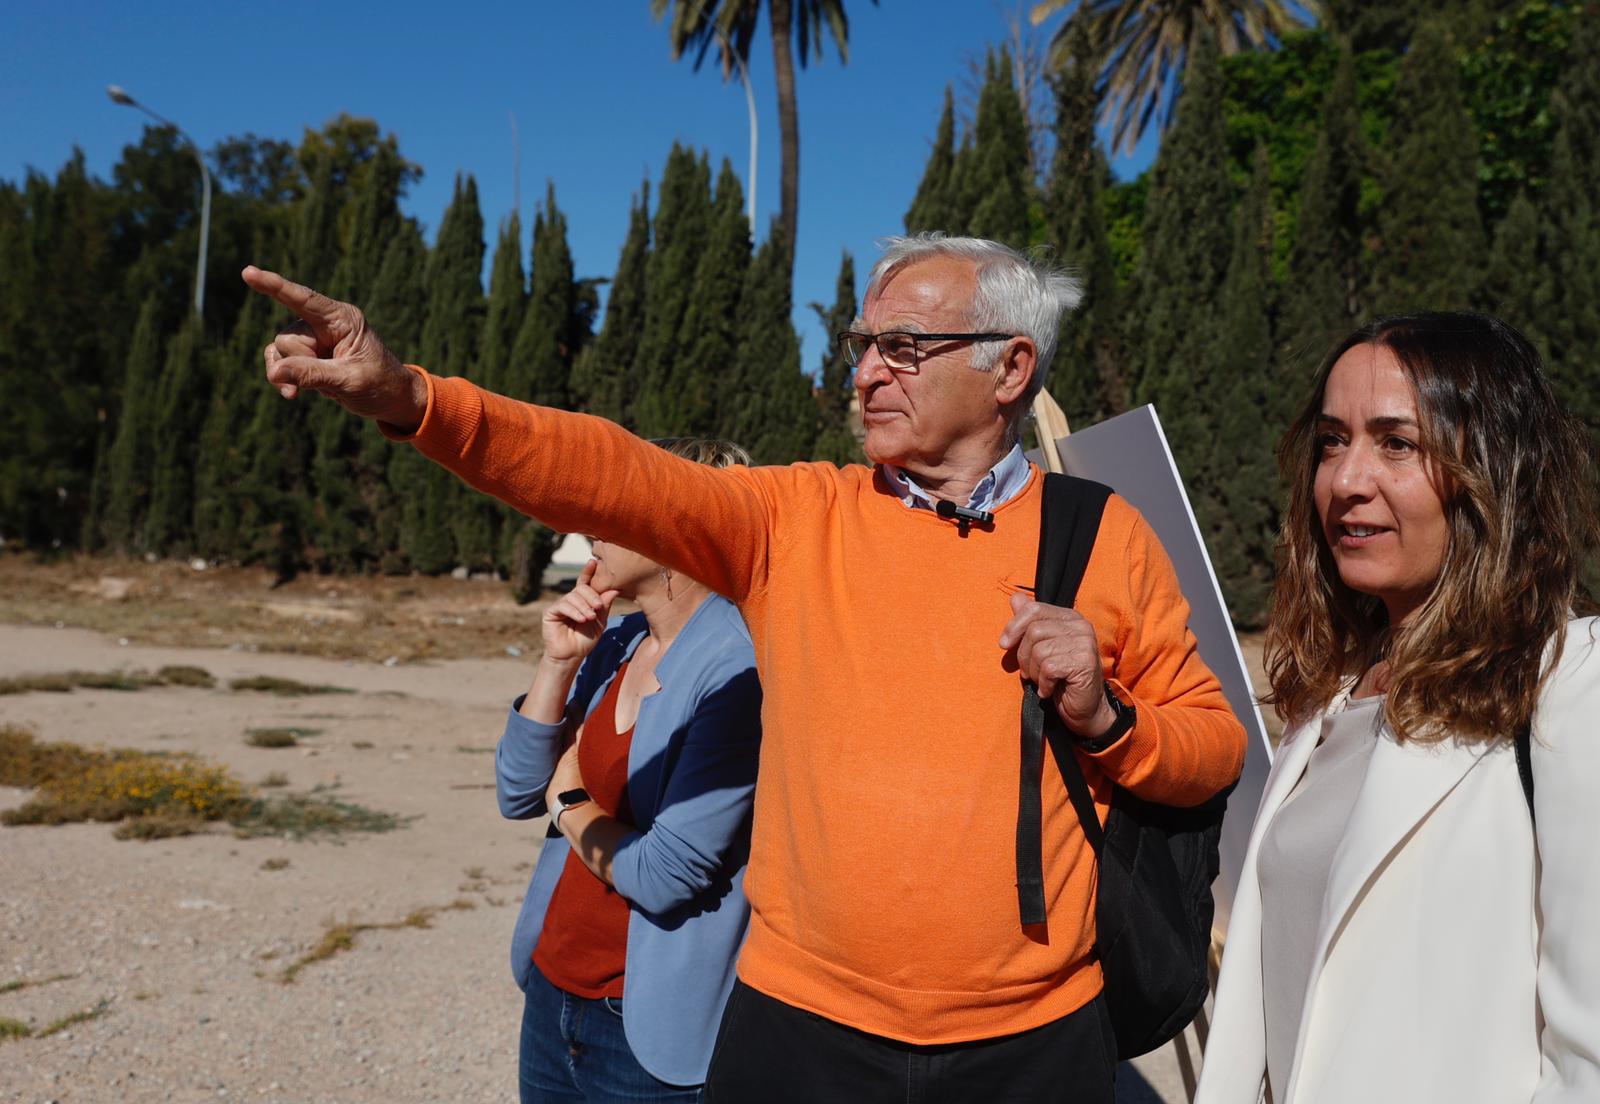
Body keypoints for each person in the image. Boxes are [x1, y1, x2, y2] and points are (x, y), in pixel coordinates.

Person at [243, 233, 1246, 1102]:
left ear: (1009, 367)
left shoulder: (1103, 535)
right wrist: (416, 400)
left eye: (903, 349)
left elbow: (1212, 748)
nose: (865, 374)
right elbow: (611, 471)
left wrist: (1109, 719)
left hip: (1029, 1041)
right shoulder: (795, 515)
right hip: (799, 1029)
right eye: (861, 349)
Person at [1197, 313, 1600, 1103]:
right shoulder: (1330, 695)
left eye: (1397, 443)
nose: (1346, 479)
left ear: (1493, 469)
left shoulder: (1570, 681)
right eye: (1332, 441)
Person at [497, 436, 761, 1103]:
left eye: (613, 507)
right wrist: (559, 662)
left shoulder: (738, 668)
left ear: (673, 523)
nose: (588, 525)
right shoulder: (614, 642)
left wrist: (571, 800)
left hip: (645, 1028)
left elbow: (665, 876)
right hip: (553, 989)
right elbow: (516, 790)